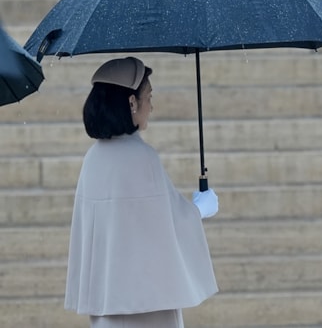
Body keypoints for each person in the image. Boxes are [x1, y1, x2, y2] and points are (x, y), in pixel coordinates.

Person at [65, 56, 219, 328]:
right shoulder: (143, 158)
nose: (152, 105)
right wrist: (200, 209)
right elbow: (170, 224)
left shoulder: (92, 160)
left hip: (107, 302)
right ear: (132, 103)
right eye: (148, 96)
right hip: (150, 307)